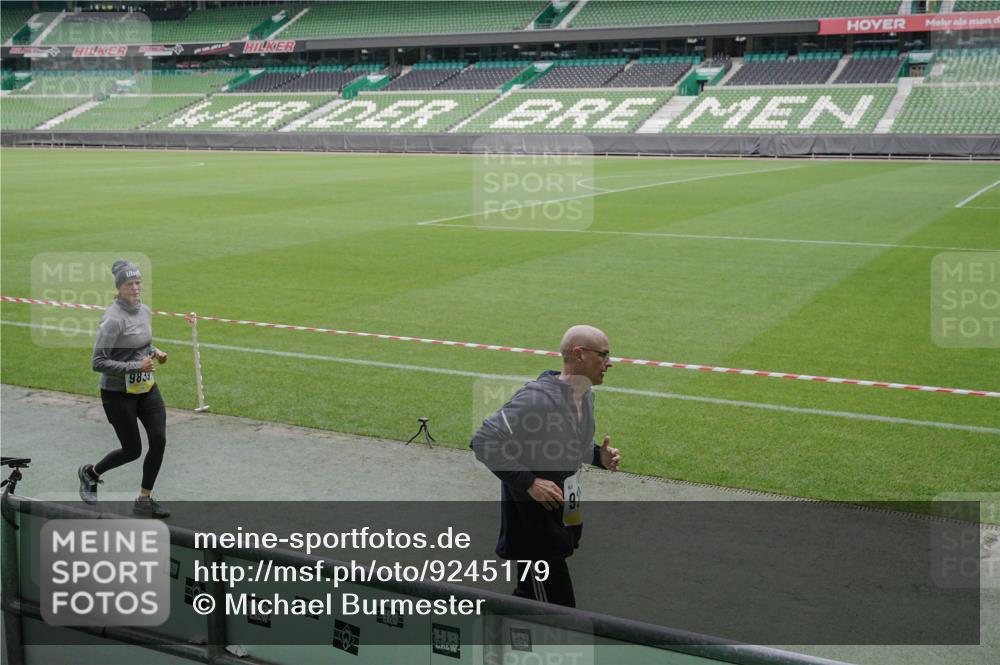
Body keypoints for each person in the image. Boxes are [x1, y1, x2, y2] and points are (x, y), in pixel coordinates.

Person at [471, 324, 620, 607]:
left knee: (536, 605)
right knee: (557, 612)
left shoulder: (585, 395)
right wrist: (530, 483)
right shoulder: (536, 399)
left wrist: (597, 455)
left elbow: (568, 443)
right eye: (603, 355)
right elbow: (483, 441)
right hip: (534, 534)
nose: (609, 362)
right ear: (579, 354)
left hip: (559, 521)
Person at [78, 259, 170, 518]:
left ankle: (144, 499)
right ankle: (90, 473)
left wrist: (155, 352)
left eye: (138, 282)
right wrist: (135, 366)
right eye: (129, 284)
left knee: (159, 440)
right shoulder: (112, 320)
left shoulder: (145, 311)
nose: (135, 288)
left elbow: (141, 344)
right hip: (117, 394)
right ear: (119, 288)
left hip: (146, 388)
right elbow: (98, 362)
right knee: (132, 451)